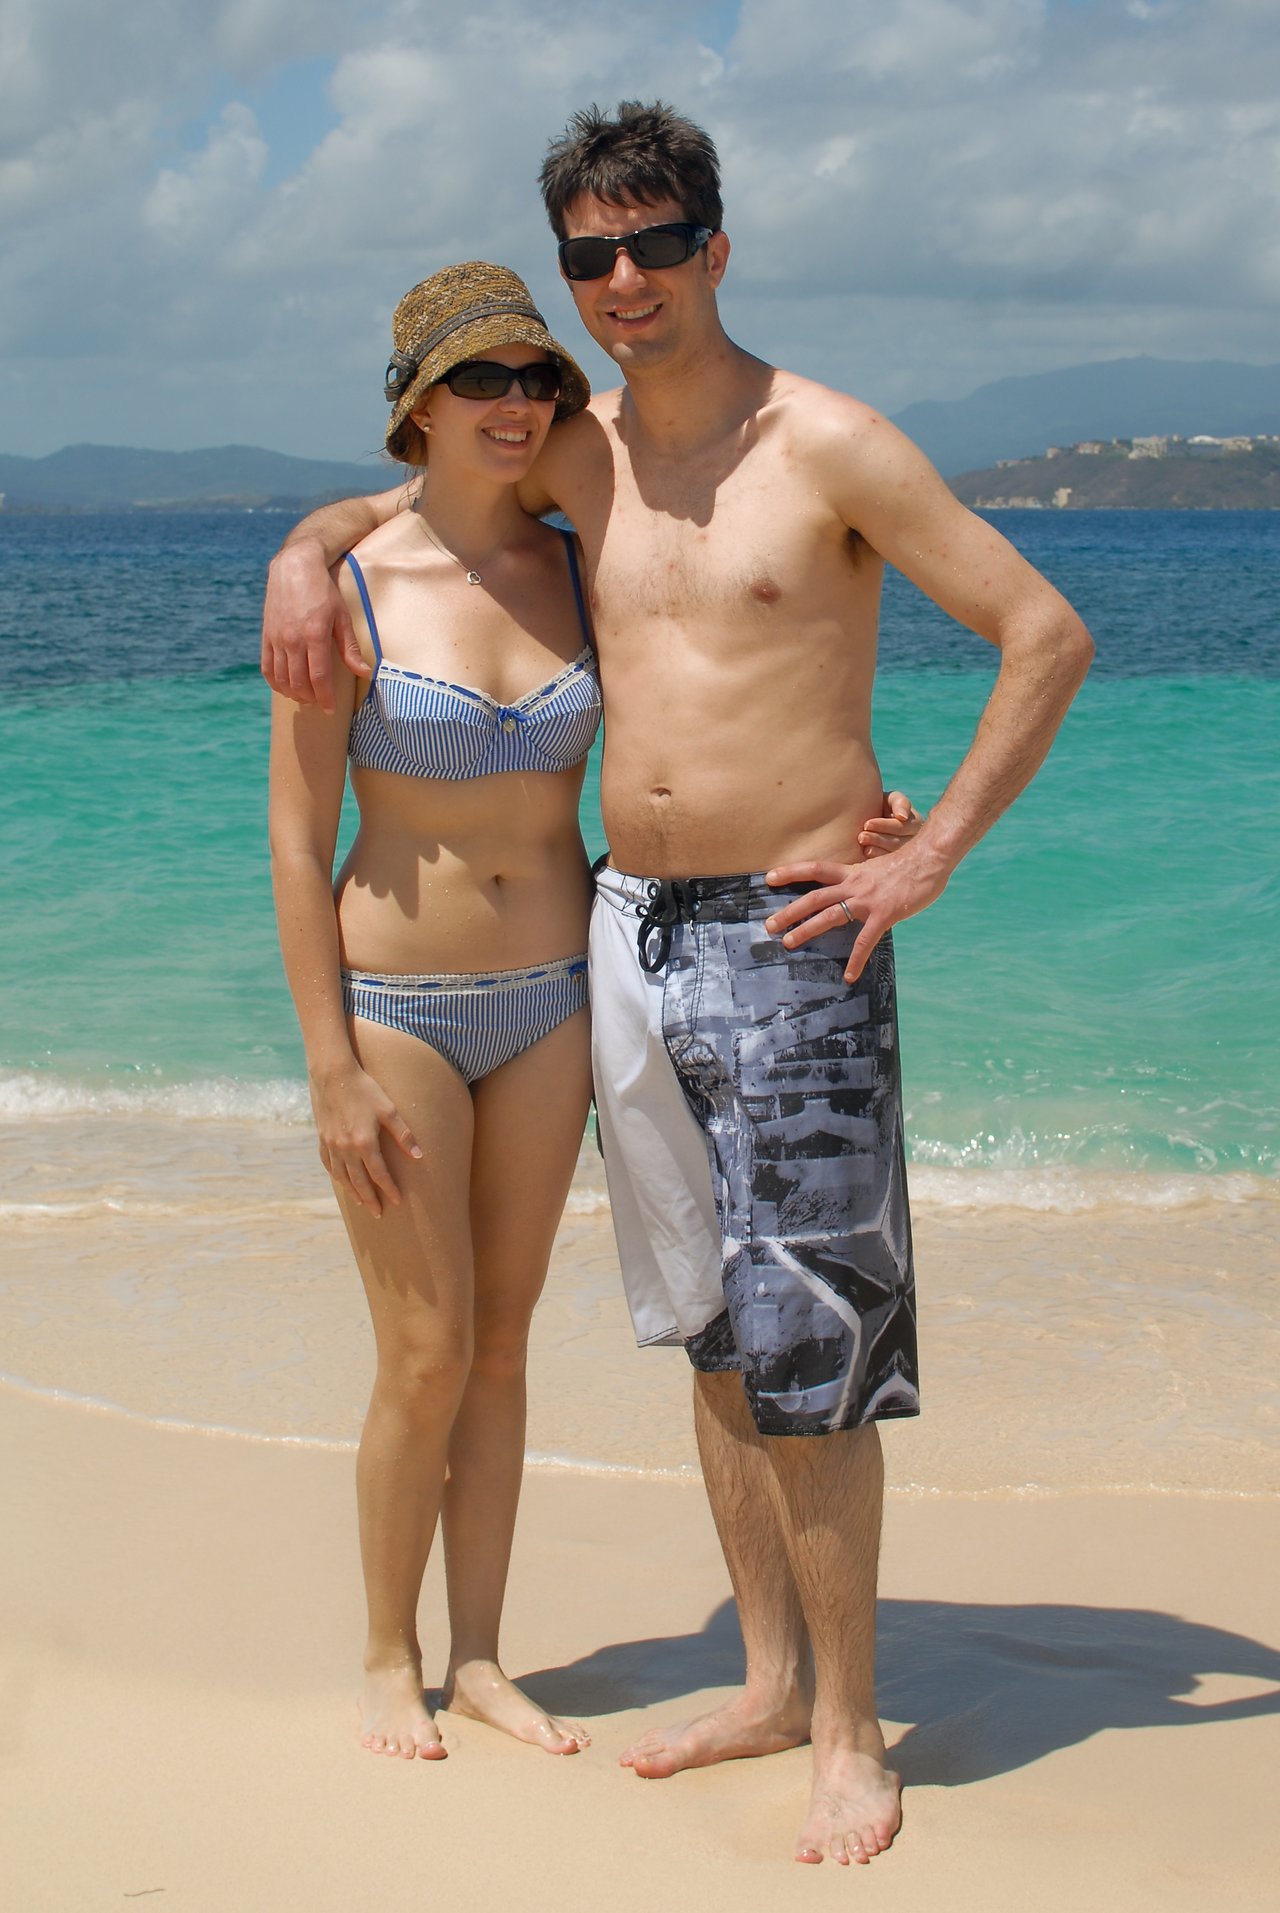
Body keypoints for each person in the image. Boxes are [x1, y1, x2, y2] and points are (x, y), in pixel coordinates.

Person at [261, 103, 1093, 1862]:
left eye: (652, 244)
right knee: (712, 1341)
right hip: (619, 938)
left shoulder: (837, 446)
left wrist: (923, 849)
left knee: (821, 1353)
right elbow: (422, 485)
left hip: (790, 945)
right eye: (591, 257)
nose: (622, 281)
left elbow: (1044, 630)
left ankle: (852, 1730)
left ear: (717, 245)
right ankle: (773, 1677)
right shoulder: (585, 455)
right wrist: (298, 549)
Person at [268, 261, 606, 1761]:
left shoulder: (586, 560)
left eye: (537, 375)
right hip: (396, 996)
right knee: (423, 1347)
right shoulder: (344, 586)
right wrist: (329, 1060)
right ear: (418, 403)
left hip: (556, 997)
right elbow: (295, 834)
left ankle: (480, 1654)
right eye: (483, 379)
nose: (519, 402)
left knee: (508, 1344)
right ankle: (382, 1648)